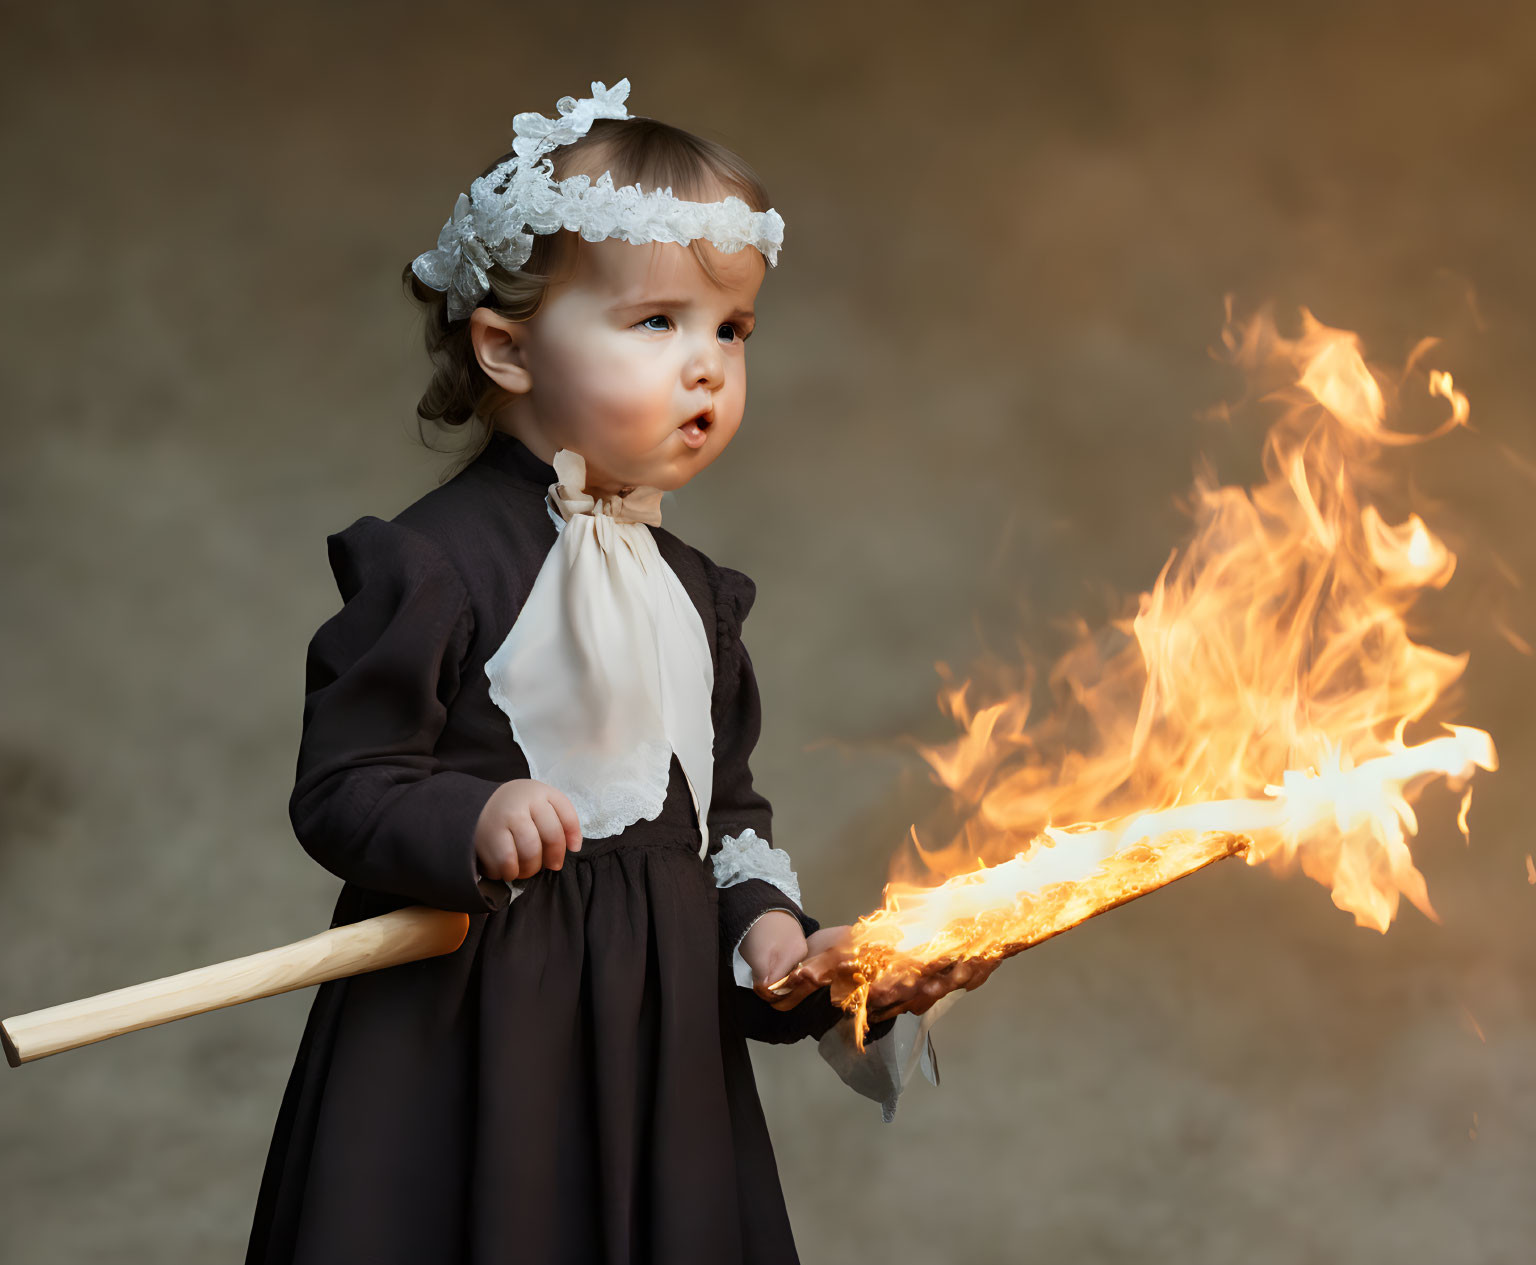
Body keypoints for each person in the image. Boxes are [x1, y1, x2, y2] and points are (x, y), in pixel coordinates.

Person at [246, 78, 996, 1265]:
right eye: (657, 323)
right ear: (504, 347)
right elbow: (343, 783)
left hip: (655, 1053)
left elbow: (721, 818)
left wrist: (770, 936)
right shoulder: (436, 563)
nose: (706, 366)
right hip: (475, 1038)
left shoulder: (698, 592)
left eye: (731, 329)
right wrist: (472, 810)